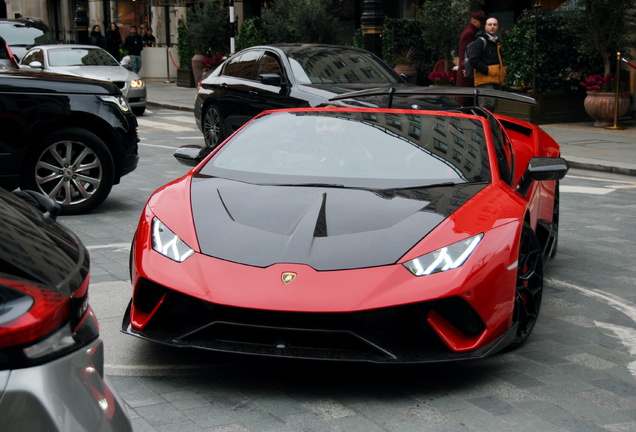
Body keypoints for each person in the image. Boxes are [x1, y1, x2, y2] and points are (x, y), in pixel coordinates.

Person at [469, 17, 506, 112]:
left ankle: (489, 126)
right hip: (485, 78)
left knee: (493, 105)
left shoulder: (497, 41)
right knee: (490, 103)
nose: (492, 27)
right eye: (490, 25)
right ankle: (474, 119)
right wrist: (487, 70)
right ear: (485, 27)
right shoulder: (480, 41)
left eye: (494, 24)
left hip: (495, 78)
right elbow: (473, 59)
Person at [456, 12, 486, 106]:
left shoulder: (470, 31)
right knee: (467, 96)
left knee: (468, 95)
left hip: (467, 68)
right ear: (474, 21)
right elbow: (466, 52)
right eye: (480, 23)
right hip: (467, 70)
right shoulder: (470, 33)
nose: (481, 25)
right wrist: (466, 68)